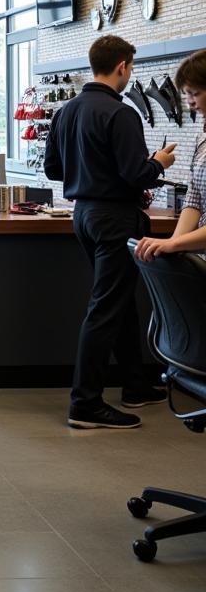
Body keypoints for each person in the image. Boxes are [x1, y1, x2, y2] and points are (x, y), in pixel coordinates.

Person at [44, 34, 176, 430]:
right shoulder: (121, 114)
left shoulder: (66, 111)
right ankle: (84, 404)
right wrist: (159, 161)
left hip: (83, 215)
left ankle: (135, 385)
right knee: (106, 307)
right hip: (116, 219)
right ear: (122, 67)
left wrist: (90, 169)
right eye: (130, 68)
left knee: (118, 301)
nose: (129, 74)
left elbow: (53, 170)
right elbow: (136, 173)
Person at [134, 49, 206, 262]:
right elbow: (194, 199)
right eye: (186, 94)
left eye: (195, 93)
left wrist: (174, 243)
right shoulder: (201, 137)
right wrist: (173, 242)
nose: (190, 102)